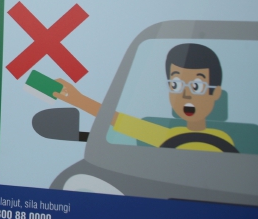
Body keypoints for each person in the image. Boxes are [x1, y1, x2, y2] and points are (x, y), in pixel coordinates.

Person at [54, 43, 237, 152]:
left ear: (216, 92)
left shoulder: (223, 139)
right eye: (176, 85)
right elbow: (117, 120)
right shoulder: (167, 135)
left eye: (197, 86)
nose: (186, 94)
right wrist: (77, 99)